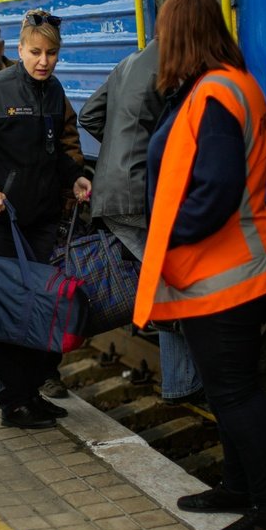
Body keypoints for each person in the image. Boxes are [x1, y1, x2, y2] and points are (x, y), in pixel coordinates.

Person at [133, 0, 266, 530]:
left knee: (236, 392)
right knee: (231, 390)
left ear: (181, 34)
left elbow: (217, 191)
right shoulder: (219, 86)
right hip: (224, 271)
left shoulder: (216, 93)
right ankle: (237, 486)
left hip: (226, 274)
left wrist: (165, 236)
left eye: (164, 31)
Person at [0, 10, 91, 429]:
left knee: (38, 306)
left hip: (40, 220)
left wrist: (78, 177)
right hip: (0, 223)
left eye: (51, 53)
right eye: (35, 52)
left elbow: (52, 153)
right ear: (19, 50)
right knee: (8, 311)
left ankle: (31, 392)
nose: (44, 61)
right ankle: (12, 402)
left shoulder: (52, 92)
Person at [79, 40, 204, 404]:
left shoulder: (129, 61)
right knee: (170, 280)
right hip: (137, 192)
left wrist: (119, 150)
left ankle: (185, 379)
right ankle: (183, 382)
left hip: (111, 187)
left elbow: (89, 115)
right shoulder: (175, 64)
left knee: (163, 278)